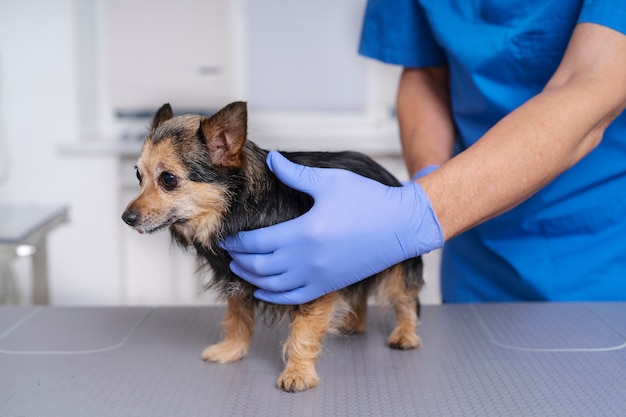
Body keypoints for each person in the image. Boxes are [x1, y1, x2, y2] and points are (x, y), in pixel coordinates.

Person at [222, 0, 626, 304]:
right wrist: (429, 181)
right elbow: (426, 74)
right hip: (473, 246)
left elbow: (591, 83)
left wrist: (418, 212)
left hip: (601, 254)